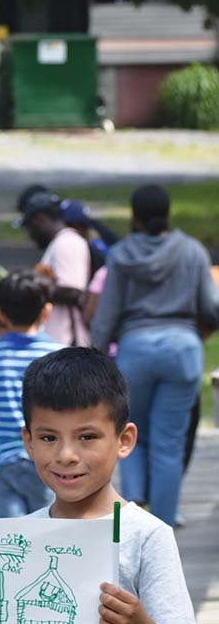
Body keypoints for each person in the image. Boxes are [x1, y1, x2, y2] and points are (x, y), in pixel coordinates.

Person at [0, 347, 195, 624]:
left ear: (124, 440)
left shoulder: (148, 537)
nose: (66, 455)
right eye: (48, 437)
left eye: (87, 437)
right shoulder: (15, 541)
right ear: (28, 441)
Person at [90, 184, 219, 528]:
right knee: (170, 443)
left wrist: (94, 360)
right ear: (168, 212)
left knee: (129, 434)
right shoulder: (192, 252)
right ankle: (161, 527)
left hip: (135, 351)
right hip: (183, 351)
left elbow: (106, 315)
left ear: (135, 215)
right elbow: (211, 307)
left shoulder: (121, 255)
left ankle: (133, 521)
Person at [0, 271, 61, 518]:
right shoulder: (59, 356)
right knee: (48, 531)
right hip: (48, 457)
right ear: (46, 312)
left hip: (2, 460)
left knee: (9, 539)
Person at [17, 192, 91, 346]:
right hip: (58, 342)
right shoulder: (60, 242)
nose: (30, 235)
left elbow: (73, 291)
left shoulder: (67, 242)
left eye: (29, 227)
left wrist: (31, 287)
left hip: (66, 342)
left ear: (39, 220)